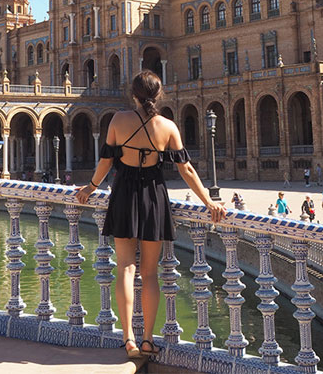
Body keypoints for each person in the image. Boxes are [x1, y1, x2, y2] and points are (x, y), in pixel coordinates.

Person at [74, 70, 224, 360]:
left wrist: (91, 188)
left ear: (133, 94)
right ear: (159, 95)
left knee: (126, 268)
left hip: (123, 194)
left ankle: (127, 336)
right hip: (154, 195)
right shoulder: (167, 126)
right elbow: (186, 169)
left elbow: (106, 161)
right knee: (151, 274)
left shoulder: (118, 120)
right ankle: (146, 340)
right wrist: (208, 201)